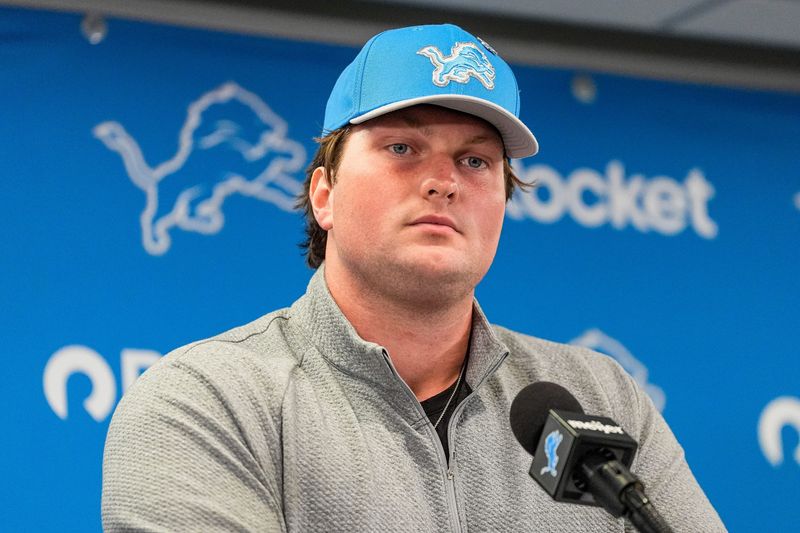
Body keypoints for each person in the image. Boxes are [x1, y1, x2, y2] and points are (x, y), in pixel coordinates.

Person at [102, 23, 726, 532]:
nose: (444, 181)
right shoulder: (208, 399)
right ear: (324, 194)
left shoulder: (601, 397)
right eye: (402, 148)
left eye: (475, 160)